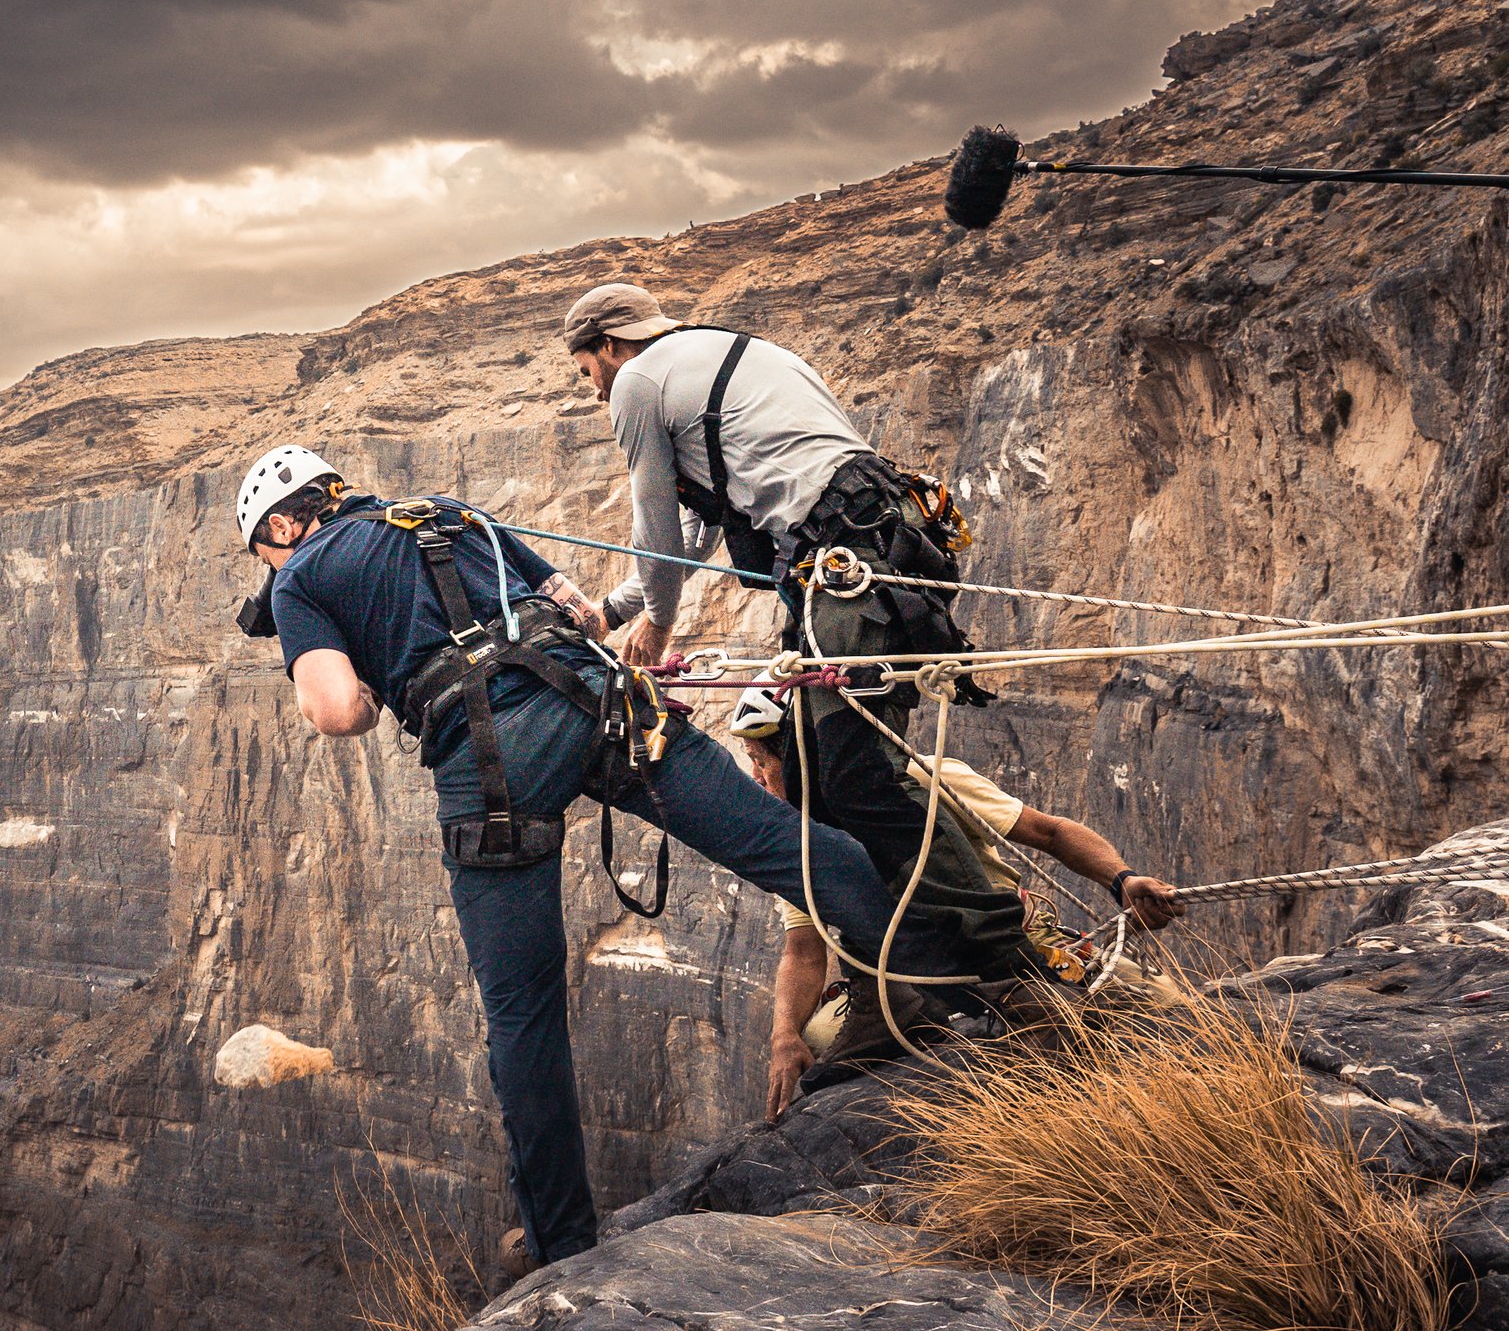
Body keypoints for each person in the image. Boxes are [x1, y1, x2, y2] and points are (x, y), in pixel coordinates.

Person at [233, 443, 937, 1274]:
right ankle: (927, 991)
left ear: (284, 523)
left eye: (265, 553)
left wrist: (382, 677)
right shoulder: (447, 513)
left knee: (522, 1013)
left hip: (491, 764)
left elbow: (334, 710)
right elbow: (577, 610)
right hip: (601, 702)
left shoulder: (301, 575)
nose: (270, 571)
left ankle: (558, 1240)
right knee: (788, 847)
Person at [562, 280, 1039, 1007]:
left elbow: (654, 523)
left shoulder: (638, 386)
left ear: (609, 345)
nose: (594, 390)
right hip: (887, 543)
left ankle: (1002, 960)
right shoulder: (724, 356)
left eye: (587, 369)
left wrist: (656, 622)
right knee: (818, 769)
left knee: (854, 772)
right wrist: (617, 608)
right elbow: (699, 532)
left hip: (846, 555)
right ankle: (913, 968)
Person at [726, 695, 1187, 1121]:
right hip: (902, 978)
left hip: (1016, 945)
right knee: (815, 1037)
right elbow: (803, 950)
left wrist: (1121, 880)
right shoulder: (800, 840)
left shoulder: (926, 777)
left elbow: (1049, 833)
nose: (756, 780)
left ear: (809, 756)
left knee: (1166, 1013)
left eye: (762, 761)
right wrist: (784, 1035)